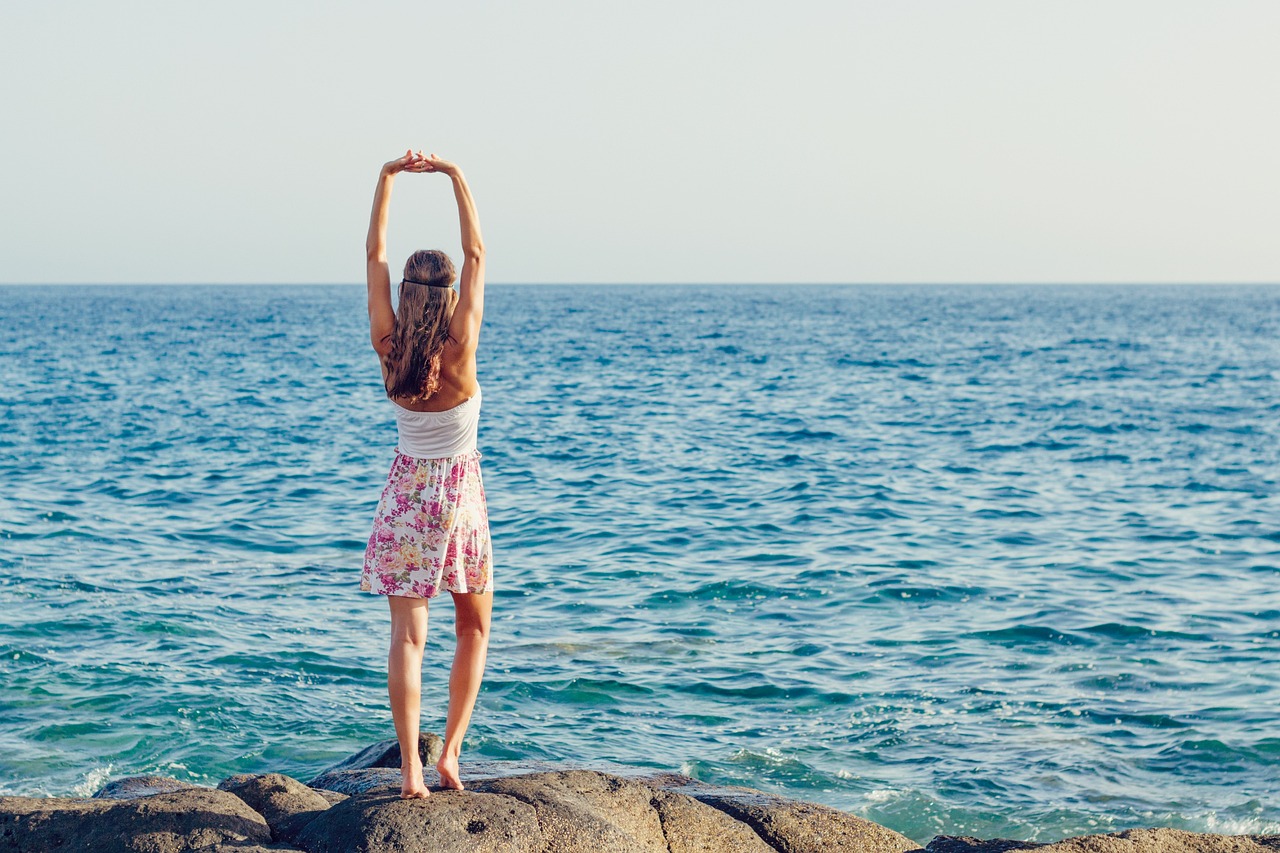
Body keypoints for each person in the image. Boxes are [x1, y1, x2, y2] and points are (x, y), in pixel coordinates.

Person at [359, 149, 492, 799]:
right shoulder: (461, 343)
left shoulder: (389, 342)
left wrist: (386, 179)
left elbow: (374, 256)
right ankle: (452, 754)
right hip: (460, 496)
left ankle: (411, 769)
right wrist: (455, 177)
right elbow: (479, 256)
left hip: (406, 494)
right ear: (449, 293)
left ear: (407, 293)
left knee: (407, 638)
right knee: (474, 626)